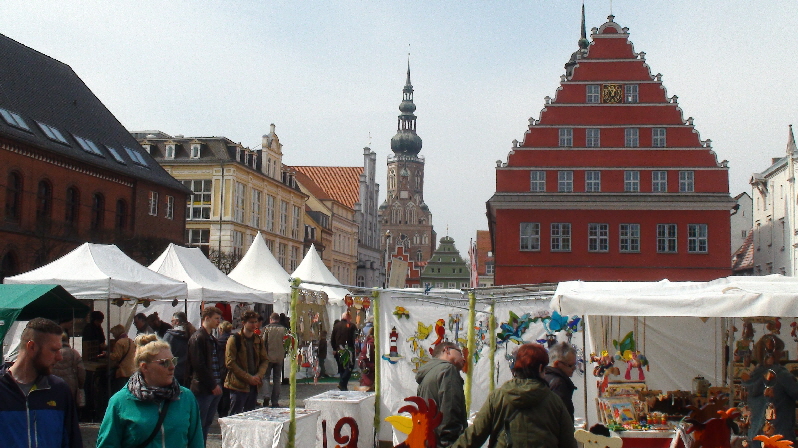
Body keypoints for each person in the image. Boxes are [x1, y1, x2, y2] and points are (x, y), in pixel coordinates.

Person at [451, 343, 577, 448]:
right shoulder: (554, 401)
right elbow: (568, 442)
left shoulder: (498, 397)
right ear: (540, 368)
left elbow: (474, 436)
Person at [96, 334, 203, 448]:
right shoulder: (120, 401)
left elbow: (197, 442)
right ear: (144, 367)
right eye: (164, 363)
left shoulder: (185, 397)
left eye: (173, 361)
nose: (172, 367)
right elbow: (107, 445)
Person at [0, 318, 82, 447]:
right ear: (31, 347)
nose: (59, 357)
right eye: (53, 350)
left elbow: (73, 442)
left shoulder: (59, 390)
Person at [742, 334, 798, 447]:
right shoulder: (781, 375)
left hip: (756, 437)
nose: (781, 354)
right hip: (779, 437)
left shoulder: (752, 376)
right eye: (779, 350)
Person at [416, 341, 467, 448]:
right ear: (447, 350)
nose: (464, 359)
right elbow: (450, 409)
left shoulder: (427, 375)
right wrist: (450, 443)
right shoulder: (448, 369)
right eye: (460, 353)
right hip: (444, 443)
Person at [186, 306, 223, 442]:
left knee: (207, 422)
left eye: (219, 318)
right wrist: (213, 384)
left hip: (214, 385)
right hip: (203, 388)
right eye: (216, 318)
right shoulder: (198, 338)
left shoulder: (210, 338)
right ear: (207, 318)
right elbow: (198, 365)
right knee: (199, 423)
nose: (218, 321)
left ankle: (202, 444)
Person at [225, 310, 268, 414]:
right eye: (251, 322)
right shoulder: (234, 339)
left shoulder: (258, 339)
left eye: (255, 322)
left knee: (250, 414)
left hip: (254, 385)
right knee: (236, 414)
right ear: (244, 323)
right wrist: (248, 377)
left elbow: (265, 359)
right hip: (238, 384)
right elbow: (230, 362)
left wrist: (259, 375)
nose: (254, 325)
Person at [544, 341, 578, 420]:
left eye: (574, 364)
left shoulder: (545, 377)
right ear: (557, 364)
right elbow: (562, 417)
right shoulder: (558, 384)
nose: (574, 368)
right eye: (570, 365)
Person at [52, 331, 86, 406]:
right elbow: (81, 372)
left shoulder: (52, 353)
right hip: (71, 386)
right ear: (67, 340)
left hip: (54, 385)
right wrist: (80, 386)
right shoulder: (74, 353)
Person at [261, 312, 287, 407]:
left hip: (268, 356)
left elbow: (263, 342)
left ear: (270, 319)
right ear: (278, 320)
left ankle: (266, 396)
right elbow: (286, 343)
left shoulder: (267, 329)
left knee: (266, 377)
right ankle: (275, 401)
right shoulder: (284, 330)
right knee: (277, 379)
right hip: (279, 357)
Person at [163, 313, 191, 387]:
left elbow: (163, 354)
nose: (171, 323)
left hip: (174, 372)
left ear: (177, 321)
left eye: (172, 321)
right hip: (188, 372)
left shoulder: (169, 336)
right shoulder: (191, 334)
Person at [331, 312, 357, 391]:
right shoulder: (352, 326)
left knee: (342, 368)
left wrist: (335, 348)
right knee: (350, 366)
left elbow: (332, 339)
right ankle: (342, 383)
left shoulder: (336, 326)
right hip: (348, 349)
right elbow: (355, 336)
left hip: (339, 349)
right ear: (348, 317)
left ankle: (343, 386)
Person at [109, 324, 136, 392]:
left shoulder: (119, 342)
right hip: (131, 370)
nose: (113, 335)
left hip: (122, 371)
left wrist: (107, 354)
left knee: (121, 390)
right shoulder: (130, 341)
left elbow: (117, 356)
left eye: (113, 333)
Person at [217, 321, 234, 417]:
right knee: (230, 392)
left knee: (223, 393)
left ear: (221, 330)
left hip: (221, 368)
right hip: (231, 368)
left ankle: (222, 413)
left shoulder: (218, 342)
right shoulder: (234, 340)